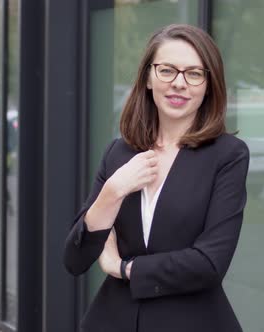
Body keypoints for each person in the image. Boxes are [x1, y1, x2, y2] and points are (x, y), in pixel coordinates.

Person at [64, 24, 249, 332]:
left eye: (194, 73)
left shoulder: (227, 155)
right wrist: (112, 192)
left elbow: (209, 263)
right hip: (115, 321)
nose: (179, 83)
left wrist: (124, 268)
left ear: (208, 85)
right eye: (167, 70)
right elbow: (75, 259)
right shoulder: (119, 153)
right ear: (148, 78)